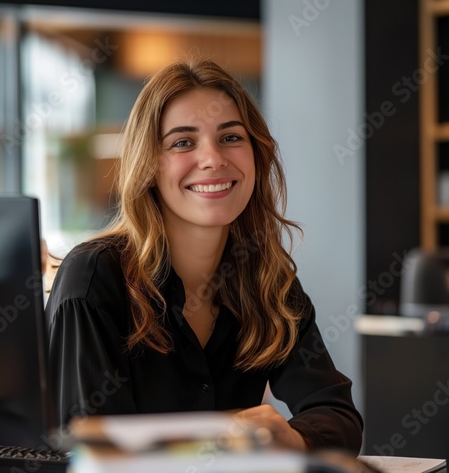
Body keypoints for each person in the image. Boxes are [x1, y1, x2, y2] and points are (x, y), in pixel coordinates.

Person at [45, 58, 363, 453]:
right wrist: (218, 439)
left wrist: (294, 437)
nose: (213, 159)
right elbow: (92, 451)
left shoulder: (266, 277)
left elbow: (338, 415)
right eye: (182, 142)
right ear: (148, 166)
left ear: (256, 155)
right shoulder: (95, 277)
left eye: (231, 137)